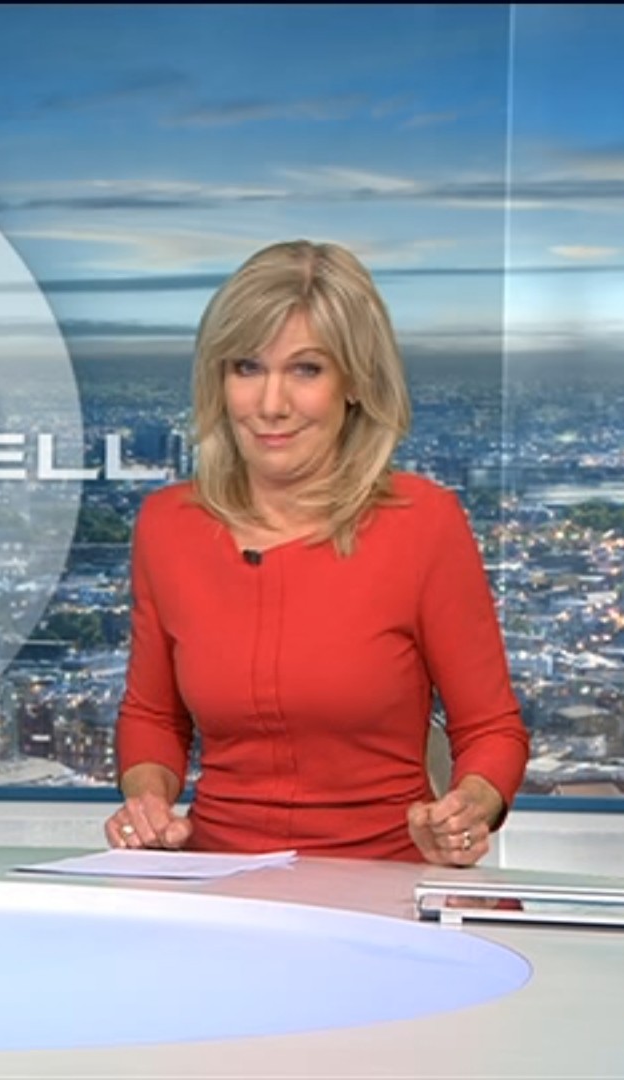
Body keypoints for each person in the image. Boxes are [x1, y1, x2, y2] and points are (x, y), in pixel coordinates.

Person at [104, 240, 529, 866]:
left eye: (306, 370)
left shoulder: (423, 522)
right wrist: (147, 802)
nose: (270, 405)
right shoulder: (168, 526)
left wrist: (467, 809)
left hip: (385, 880)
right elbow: (153, 717)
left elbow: (491, 729)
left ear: (354, 382)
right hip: (216, 880)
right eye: (247, 368)